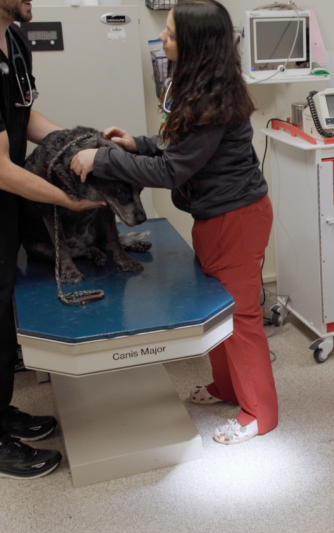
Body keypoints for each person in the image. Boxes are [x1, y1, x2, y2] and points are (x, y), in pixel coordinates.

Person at [70, 0, 277, 445]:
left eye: (170, 34)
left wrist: (105, 160)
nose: (162, 40)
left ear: (196, 44)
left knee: (240, 317)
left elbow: (171, 172)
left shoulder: (214, 98)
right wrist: (136, 143)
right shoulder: (199, 85)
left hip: (235, 218)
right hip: (216, 214)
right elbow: (175, 147)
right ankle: (226, 388)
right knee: (220, 312)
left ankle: (260, 413)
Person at [0, 0, 105, 478]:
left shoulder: (16, 41)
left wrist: (76, 143)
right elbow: (2, 166)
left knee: (5, 309)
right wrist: (68, 201)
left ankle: (2, 412)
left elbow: (24, 116)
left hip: (6, 200)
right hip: (4, 181)